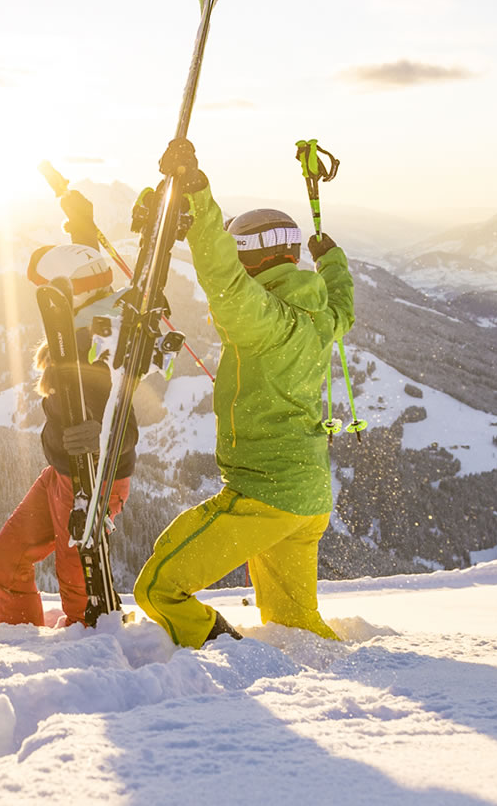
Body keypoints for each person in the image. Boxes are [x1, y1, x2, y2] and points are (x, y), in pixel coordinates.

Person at [132, 137, 354, 647]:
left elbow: (223, 278)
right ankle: (336, 682)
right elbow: (343, 300)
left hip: (266, 494)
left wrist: (198, 193)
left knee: (158, 589)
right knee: (295, 626)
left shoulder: (267, 321)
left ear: (254, 260)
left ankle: (222, 650)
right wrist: (333, 261)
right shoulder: (322, 316)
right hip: (309, 499)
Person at [0, 243, 137, 626]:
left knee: (80, 593)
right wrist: (78, 222)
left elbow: (127, 420)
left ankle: (92, 659)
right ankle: (17, 639)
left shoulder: (103, 339)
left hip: (93, 478)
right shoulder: (75, 330)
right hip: (63, 472)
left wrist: (100, 434)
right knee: (7, 559)